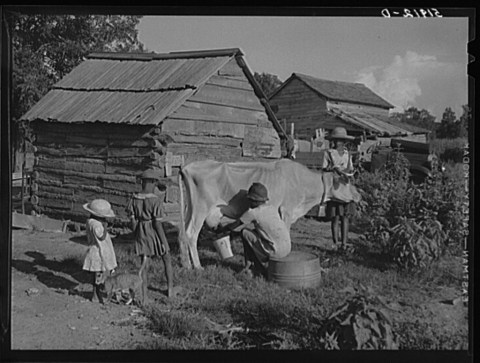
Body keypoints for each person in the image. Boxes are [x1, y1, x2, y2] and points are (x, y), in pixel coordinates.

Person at [217, 182, 291, 277]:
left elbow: (235, 226)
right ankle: (255, 264)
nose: (249, 203)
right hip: (287, 248)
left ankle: (253, 267)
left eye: (250, 200)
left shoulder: (253, 213)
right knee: (255, 232)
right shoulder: (272, 208)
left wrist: (221, 230)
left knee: (244, 233)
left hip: (275, 252)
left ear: (255, 201)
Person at [126, 169, 174, 300]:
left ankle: (144, 295)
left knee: (144, 262)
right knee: (166, 257)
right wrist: (164, 242)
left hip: (141, 231)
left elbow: (133, 222)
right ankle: (170, 290)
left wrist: (136, 235)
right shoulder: (155, 200)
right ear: (152, 182)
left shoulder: (134, 199)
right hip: (153, 231)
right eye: (154, 184)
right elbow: (158, 224)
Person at [322, 127, 357, 250]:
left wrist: (349, 172)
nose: (338, 143)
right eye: (336, 141)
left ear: (344, 142)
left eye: (341, 141)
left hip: (345, 188)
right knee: (335, 217)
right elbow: (324, 169)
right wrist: (333, 169)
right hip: (334, 188)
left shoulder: (347, 155)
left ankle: (344, 243)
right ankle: (335, 243)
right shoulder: (329, 153)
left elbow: (351, 169)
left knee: (345, 217)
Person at [82, 199, 118, 303]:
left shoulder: (90, 221)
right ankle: (96, 295)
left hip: (95, 249)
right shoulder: (96, 225)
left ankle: (96, 294)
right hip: (98, 252)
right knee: (99, 276)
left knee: (97, 276)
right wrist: (105, 227)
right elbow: (101, 237)